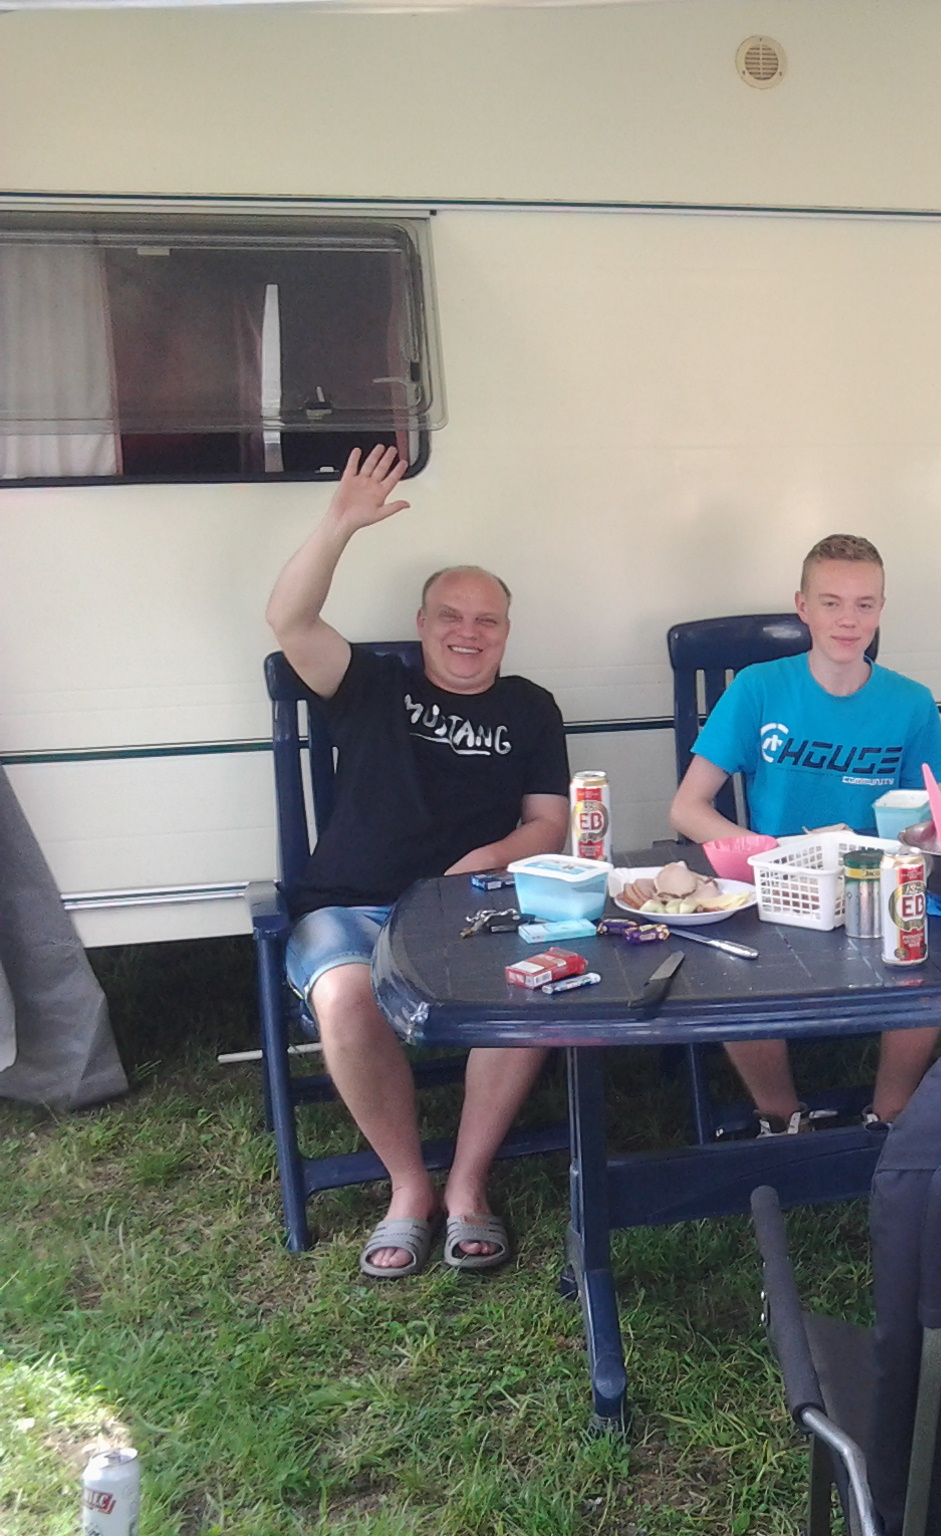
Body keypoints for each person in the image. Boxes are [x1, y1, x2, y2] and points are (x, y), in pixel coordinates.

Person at [266, 444, 571, 1279]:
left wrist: (490, 856)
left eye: (487, 620)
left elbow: (549, 822)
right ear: (422, 623)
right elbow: (289, 620)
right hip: (353, 907)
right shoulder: (371, 686)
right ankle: (408, 1187)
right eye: (450, 616)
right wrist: (338, 524)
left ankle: (468, 1183)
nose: (468, 633)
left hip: (474, 905)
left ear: (506, 632)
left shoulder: (530, 708)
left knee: (533, 983)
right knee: (347, 994)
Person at [668, 534, 941, 1133]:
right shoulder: (758, 688)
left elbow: (928, 824)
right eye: (831, 603)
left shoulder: (911, 702)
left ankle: (890, 1113)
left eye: (864, 604)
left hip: (877, 883)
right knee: (730, 968)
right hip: (779, 884)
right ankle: (779, 1114)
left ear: (881, 610)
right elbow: (687, 809)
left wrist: (877, 848)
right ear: (803, 607)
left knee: (930, 953)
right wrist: (775, 852)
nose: (848, 620)